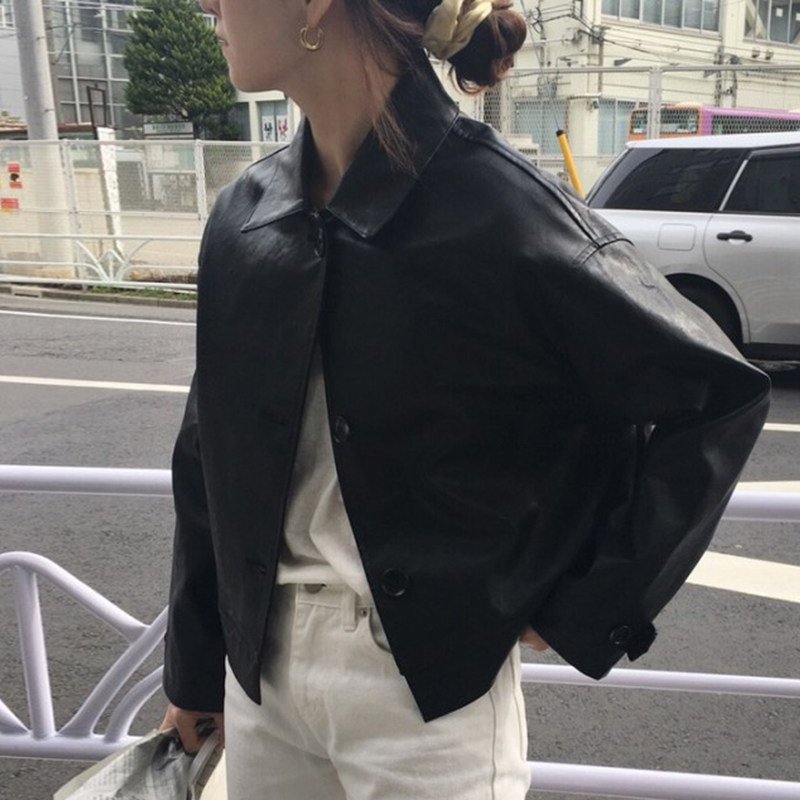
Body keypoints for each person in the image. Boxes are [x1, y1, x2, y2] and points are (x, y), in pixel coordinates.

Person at [159, 0, 771, 797]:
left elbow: (718, 394)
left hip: (421, 693)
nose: (208, 4)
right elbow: (208, 457)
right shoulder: (247, 214)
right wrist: (195, 672)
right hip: (260, 681)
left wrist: (585, 605)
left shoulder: (497, 208)